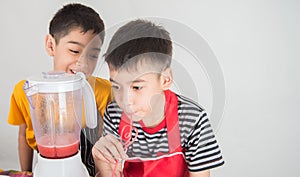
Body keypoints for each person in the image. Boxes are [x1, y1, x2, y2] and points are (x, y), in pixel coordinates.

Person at [92, 19, 224, 177]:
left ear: (165, 79)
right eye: (117, 86)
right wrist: (102, 162)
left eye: (136, 87)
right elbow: (110, 172)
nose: (125, 101)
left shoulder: (193, 120)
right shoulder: (114, 114)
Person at [7, 3, 112, 177]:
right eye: (74, 50)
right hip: (46, 165)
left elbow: (110, 141)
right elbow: (23, 136)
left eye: (93, 55)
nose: (83, 63)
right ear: (50, 45)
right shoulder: (26, 90)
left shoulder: (104, 91)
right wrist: (26, 171)